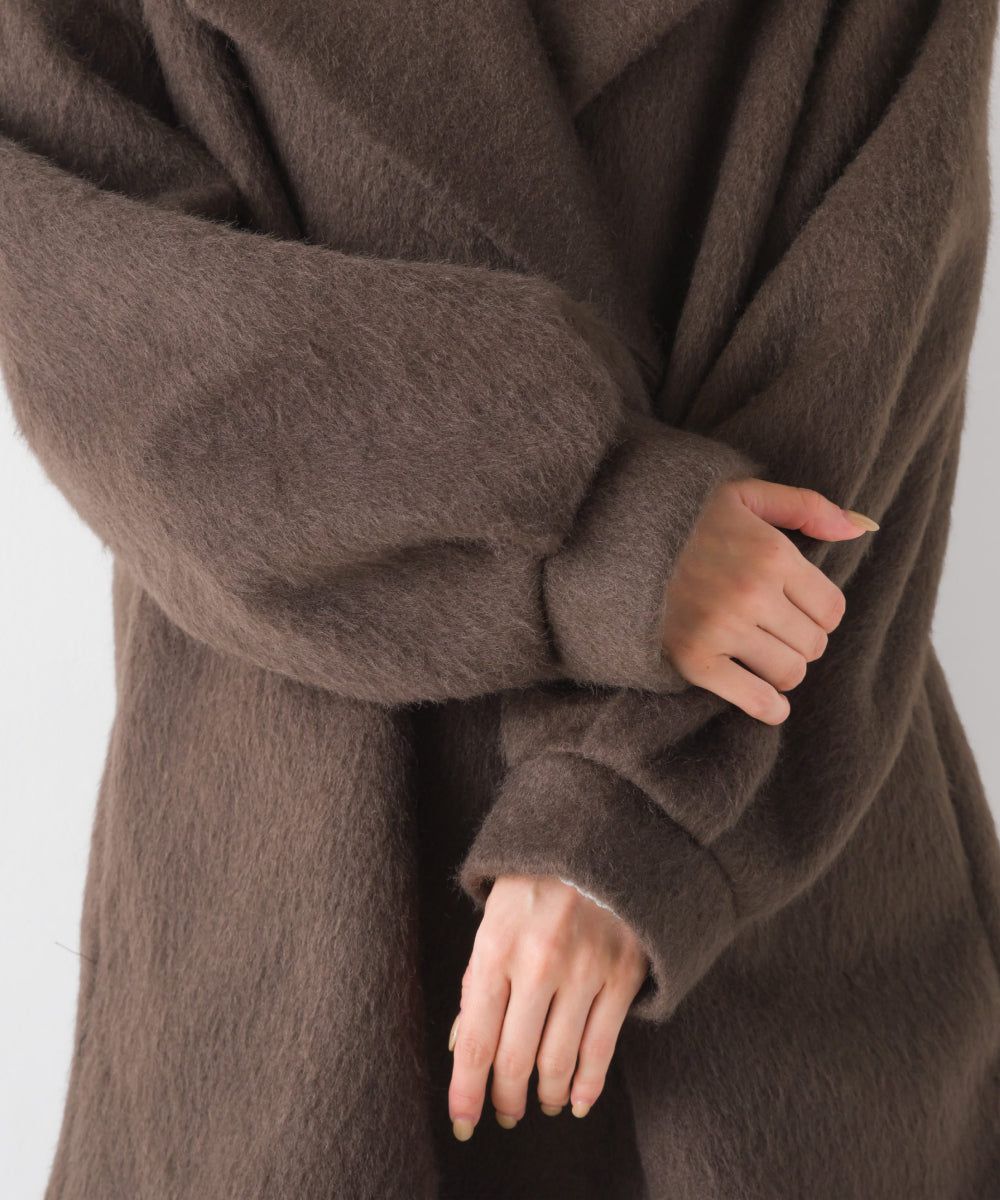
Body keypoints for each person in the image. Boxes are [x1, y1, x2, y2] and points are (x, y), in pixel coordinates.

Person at [2, 1, 998, 1197]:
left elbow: (867, 340)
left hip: (760, 861)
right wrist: (596, 521)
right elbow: (87, 301)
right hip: (297, 878)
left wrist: (632, 820)